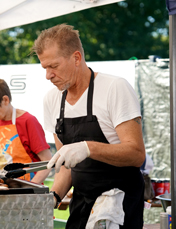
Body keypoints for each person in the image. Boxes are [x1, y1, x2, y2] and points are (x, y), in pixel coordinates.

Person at [31, 24, 146, 228]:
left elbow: (136, 154)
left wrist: (88, 148)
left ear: (76, 58)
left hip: (118, 205)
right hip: (82, 204)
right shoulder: (52, 100)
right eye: (44, 68)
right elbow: (65, 167)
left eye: (53, 66)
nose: (48, 75)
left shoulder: (114, 88)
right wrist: (53, 198)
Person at [0, 77, 52, 184]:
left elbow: (47, 162)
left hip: (25, 189)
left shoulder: (28, 121)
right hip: (1, 187)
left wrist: (30, 188)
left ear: (5, 100)